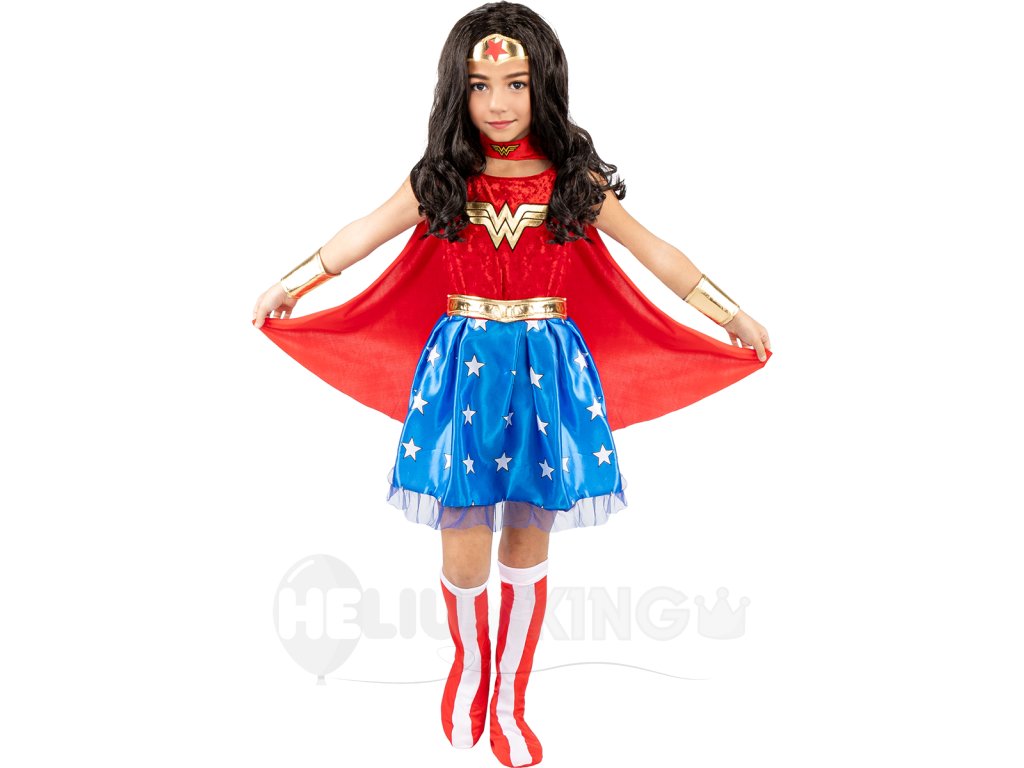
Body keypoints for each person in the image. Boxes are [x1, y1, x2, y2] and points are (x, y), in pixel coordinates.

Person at [252, 3, 771, 766]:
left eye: (516, 84)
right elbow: (361, 234)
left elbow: (655, 251)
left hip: (546, 374)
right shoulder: (441, 179)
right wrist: (291, 284)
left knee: (528, 539)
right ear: (456, 91)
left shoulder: (571, 181)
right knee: (462, 543)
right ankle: (470, 667)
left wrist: (731, 313)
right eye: (480, 85)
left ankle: (510, 696)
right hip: (462, 375)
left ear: (543, 86)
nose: (498, 102)